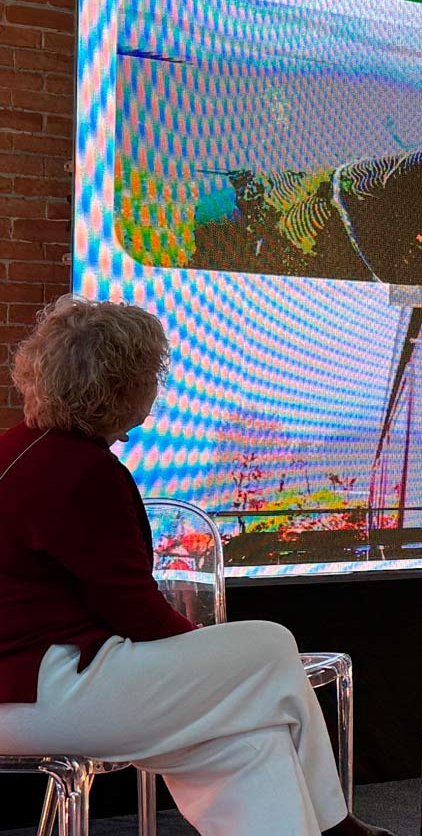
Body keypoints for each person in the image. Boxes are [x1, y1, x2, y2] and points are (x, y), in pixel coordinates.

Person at [0, 297, 394, 836]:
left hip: (32, 690)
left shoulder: (15, 451)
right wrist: (201, 654)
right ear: (124, 386)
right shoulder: (84, 472)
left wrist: (205, 670)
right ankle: (336, 825)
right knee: (271, 646)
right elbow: (134, 612)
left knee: (245, 741)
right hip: (46, 691)